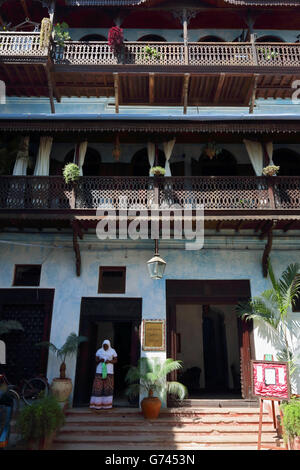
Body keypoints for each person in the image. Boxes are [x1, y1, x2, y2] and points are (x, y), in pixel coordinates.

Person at [89, 339, 118, 410]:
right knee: (98, 387)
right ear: (102, 345)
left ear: (109, 345)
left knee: (108, 387)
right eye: (104, 346)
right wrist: (100, 360)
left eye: (106, 346)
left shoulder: (112, 351)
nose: (105, 347)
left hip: (109, 372)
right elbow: (96, 359)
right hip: (99, 371)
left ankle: (107, 405)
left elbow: (116, 360)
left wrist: (110, 361)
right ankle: (97, 404)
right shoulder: (99, 351)